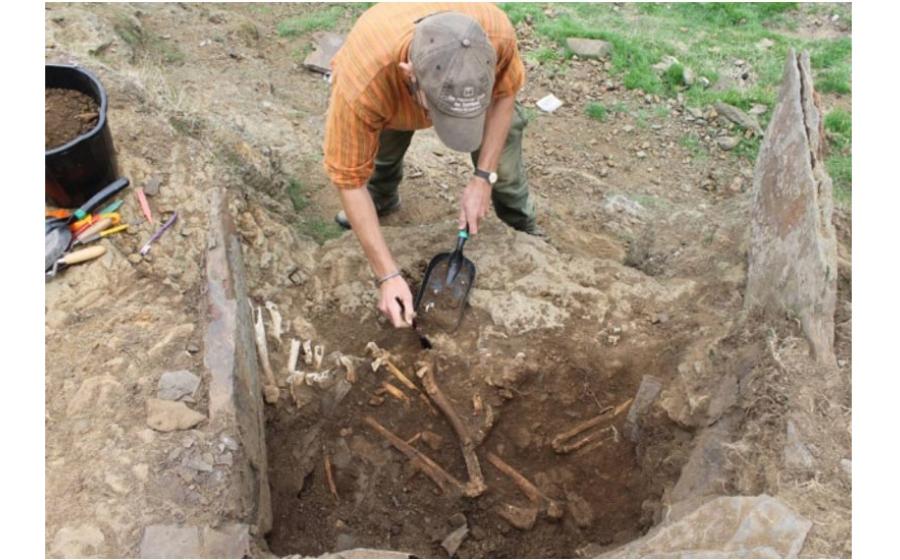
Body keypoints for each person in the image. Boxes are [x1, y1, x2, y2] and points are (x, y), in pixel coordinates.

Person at [323, 3, 537, 329]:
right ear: (410, 75)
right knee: (382, 155)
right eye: (442, 113)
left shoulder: (493, 34)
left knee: (503, 173)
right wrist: (388, 275)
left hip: (449, 93)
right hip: (388, 93)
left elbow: (505, 93)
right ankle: (382, 197)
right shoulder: (364, 84)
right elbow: (348, 178)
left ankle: (523, 228)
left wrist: (483, 177)